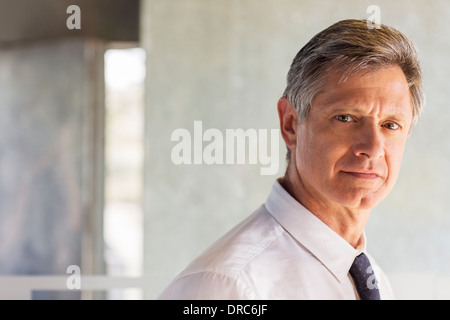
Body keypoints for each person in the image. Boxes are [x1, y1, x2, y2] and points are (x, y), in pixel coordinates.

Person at [158, 19, 425, 300]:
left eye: (391, 125)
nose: (372, 147)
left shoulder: (374, 282)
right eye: (345, 118)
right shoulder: (227, 287)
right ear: (290, 124)